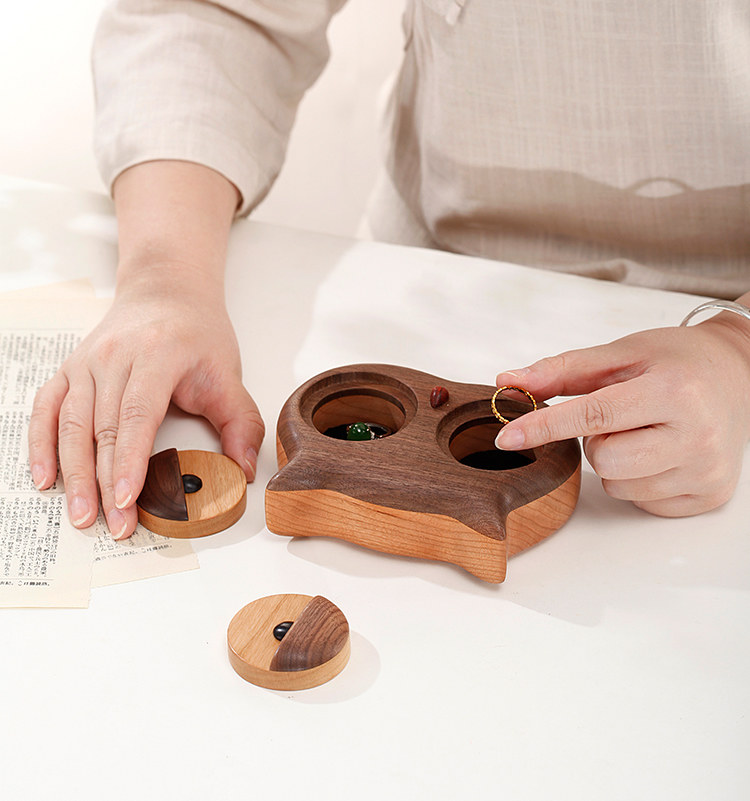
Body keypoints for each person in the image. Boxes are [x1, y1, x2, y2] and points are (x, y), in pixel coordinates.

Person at [27, 1, 750, 539]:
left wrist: (735, 349)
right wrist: (165, 277)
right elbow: (220, 14)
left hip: (719, 339)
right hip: (430, 267)